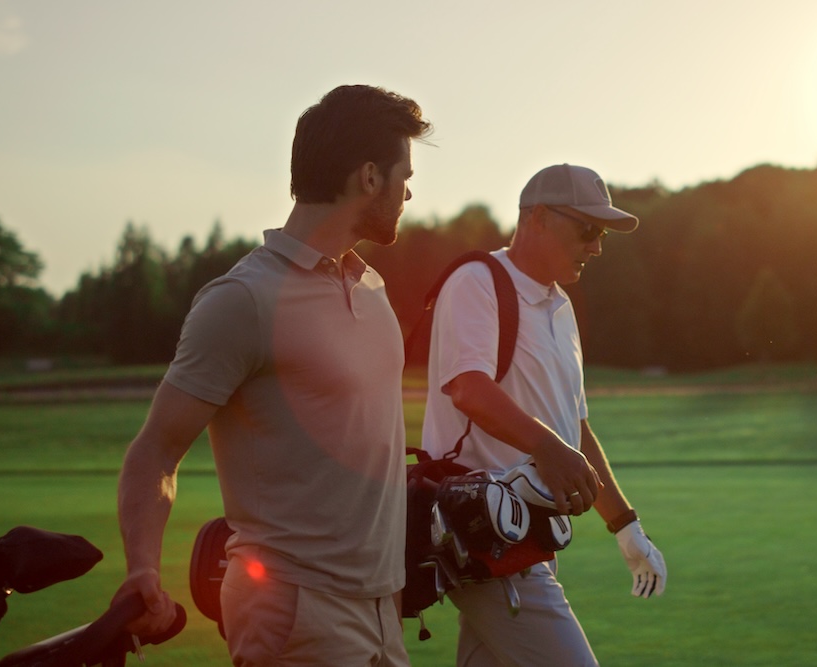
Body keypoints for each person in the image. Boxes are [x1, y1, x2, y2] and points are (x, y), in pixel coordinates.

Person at [113, 84, 432, 666]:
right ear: (367, 177)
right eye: (403, 174)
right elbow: (156, 450)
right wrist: (142, 569)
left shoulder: (373, 289)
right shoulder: (243, 300)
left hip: (386, 607)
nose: (409, 190)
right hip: (295, 610)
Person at [421, 163, 667, 666]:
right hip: (482, 539)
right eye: (588, 229)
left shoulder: (561, 306)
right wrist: (546, 447)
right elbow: (468, 388)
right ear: (536, 218)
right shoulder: (477, 282)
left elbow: (575, 428)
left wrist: (624, 524)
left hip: (529, 541)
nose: (596, 246)